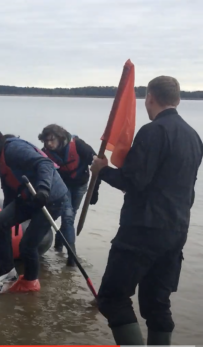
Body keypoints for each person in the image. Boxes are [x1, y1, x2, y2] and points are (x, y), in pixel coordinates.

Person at [91, 76, 202, 345]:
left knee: (112, 298)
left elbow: (133, 182)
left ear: (150, 97)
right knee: (156, 304)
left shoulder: (153, 132)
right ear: (177, 99)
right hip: (176, 232)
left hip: (142, 231)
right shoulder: (194, 137)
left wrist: (102, 170)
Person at [0, 121, 68, 293]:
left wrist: (43, 190)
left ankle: (31, 282)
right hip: (29, 197)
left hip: (51, 198)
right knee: (0, 221)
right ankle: (8, 271)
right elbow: (9, 187)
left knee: (27, 245)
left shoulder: (13, 149)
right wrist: (9, 214)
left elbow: (45, 164)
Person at [38, 124, 96, 266]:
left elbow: (97, 165)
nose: (49, 144)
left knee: (71, 215)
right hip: (63, 186)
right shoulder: (44, 153)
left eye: (52, 140)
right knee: (68, 217)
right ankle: (72, 257)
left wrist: (95, 191)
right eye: (46, 141)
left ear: (61, 138)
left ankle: (59, 243)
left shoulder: (78, 145)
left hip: (80, 185)